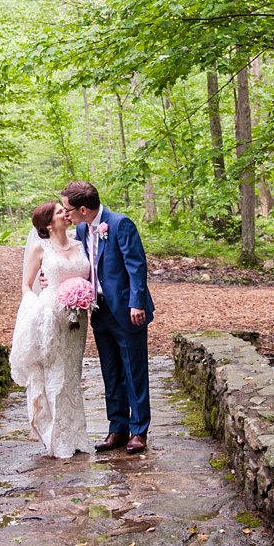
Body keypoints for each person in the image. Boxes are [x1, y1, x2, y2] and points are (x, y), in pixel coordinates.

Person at [61, 181, 154, 455]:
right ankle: (117, 428)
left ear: (83, 209)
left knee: (133, 371)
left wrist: (136, 303)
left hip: (127, 310)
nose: (66, 215)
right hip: (99, 310)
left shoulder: (120, 224)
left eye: (68, 209)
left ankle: (139, 431)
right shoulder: (81, 229)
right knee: (110, 372)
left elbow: (136, 266)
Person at [8, 201, 93, 458]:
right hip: (50, 317)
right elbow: (26, 285)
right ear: (48, 223)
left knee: (72, 375)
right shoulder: (40, 248)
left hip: (77, 318)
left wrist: (83, 294)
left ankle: (76, 435)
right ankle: (55, 438)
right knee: (54, 376)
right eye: (59, 212)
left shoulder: (81, 243)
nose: (65, 214)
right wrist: (36, 309)